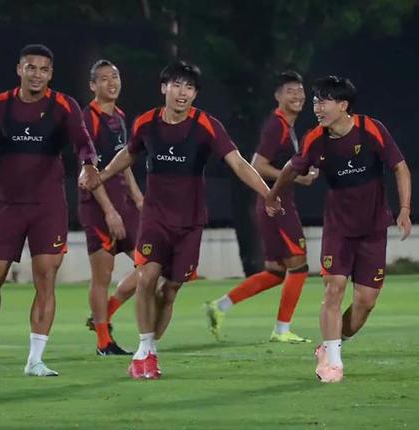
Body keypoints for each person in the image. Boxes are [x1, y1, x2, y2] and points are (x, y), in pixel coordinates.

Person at [85, 60, 281, 379]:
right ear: (164, 88)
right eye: (176, 85)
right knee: (146, 277)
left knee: (170, 290)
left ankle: (151, 346)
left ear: (195, 94)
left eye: (189, 87)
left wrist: (267, 192)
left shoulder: (206, 125)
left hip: (190, 224)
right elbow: (130, 153)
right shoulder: (146, 122)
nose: (182, 92)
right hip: (155, 219)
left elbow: (238, 163)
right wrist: (102, 174)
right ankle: (144, 351)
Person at [0, 44, 100, 377]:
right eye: (31, 68)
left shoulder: (63, 106)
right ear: (19, 69)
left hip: (48, 207)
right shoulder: (0, 105)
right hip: (6, 206)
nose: (37, 75)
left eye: (44, 69)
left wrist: (89, 165)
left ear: (51, 74)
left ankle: (35, 359)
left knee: (45, 279)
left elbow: (82, 142)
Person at [266, 75, 412, 383]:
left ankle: (330, 346)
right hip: (338, 229)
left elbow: (400, 167)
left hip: (373, 229)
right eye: (315, 102)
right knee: (334, 288)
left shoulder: (371, 129)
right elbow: (292, 168)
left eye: (324, 102)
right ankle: (333, 363)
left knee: (365, 302)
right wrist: (273, 194)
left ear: (343, 105)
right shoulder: (315, 138)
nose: (317, 108)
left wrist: (405, 209)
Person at [206, 71, 317, 342]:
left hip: (274, 203)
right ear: (278, 96)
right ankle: (282, 330)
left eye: (300, 91)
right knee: (299, 267)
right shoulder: (276, 126)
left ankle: (219, 306)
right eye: (290, 91)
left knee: (277, 272)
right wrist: (296, 177)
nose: (297, 96)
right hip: (276, 205)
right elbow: (258, 165)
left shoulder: (286, 126)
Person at [80, 60, 143, 356]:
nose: (111, 82)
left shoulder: (120, 116)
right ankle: (104, 342)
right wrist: (109, 211)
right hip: (97, 205)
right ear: (93, 85)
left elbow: (123, 161)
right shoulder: (87, 118)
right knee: (102, 276)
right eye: (104, 78)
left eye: (115, 77)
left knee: (151, 265)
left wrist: (139, 198)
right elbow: (89, 170)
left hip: (124, 203)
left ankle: (104, 314)